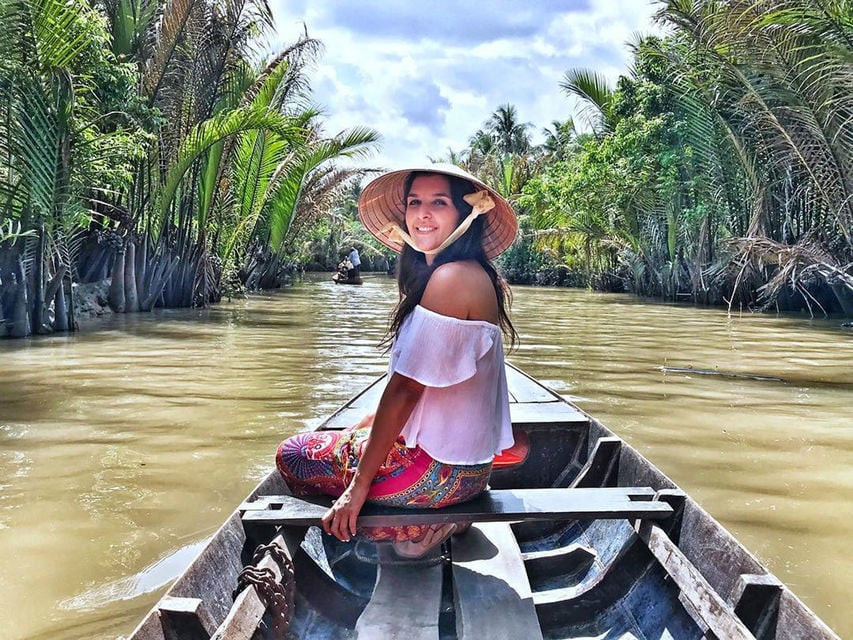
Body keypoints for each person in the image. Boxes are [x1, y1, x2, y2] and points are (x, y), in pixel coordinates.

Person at [276, 164, 518, 558]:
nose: (422, 214)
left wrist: (357, 489)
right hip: (472, 474)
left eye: (438, 202)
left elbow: (406, 389)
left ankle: (417, 529)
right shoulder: (473, 274)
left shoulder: (451, 279)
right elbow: (425, 383)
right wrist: (376, 422)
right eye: (414, 202)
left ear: (465, 214)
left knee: (294, 454)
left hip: (436, 475)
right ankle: (444, 518)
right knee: (358, 433)